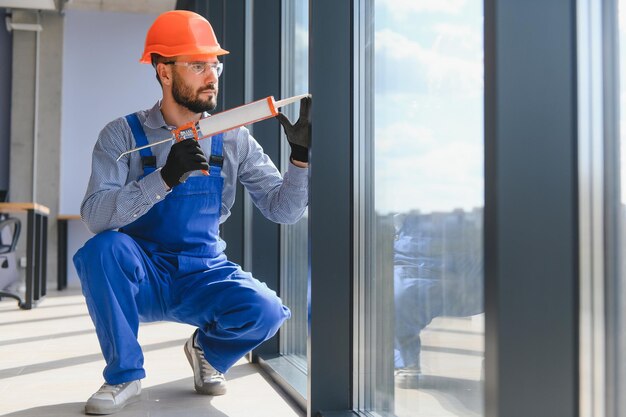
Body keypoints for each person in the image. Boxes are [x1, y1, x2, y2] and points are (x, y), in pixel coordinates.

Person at [73, 10, 310, 415]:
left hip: (203, 274)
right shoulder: (121, 135)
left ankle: (207, 351)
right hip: (140, 272)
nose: (212, 74)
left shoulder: (233, 137)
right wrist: (163, 177)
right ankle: (124, 376)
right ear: (164, 71)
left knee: (267, 310)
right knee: (101, 250)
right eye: (198, 65)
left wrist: (301, 160)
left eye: (214, 64)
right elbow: (95, 215)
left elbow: (282, 210)